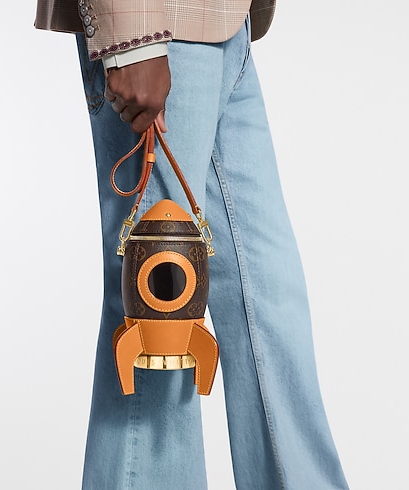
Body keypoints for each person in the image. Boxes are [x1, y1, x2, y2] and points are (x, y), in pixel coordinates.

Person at [35, 1, 349, 488]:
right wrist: (132, 36)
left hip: (226, 23)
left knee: (269, 302)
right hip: (158, 26)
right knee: (160, 321)